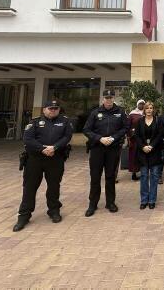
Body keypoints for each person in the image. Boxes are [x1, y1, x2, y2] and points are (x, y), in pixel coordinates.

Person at [13, 100, 72, 232]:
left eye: (56, 108)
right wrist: (42, 149)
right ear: (44, 109)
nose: (53, 110)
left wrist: (55, 147)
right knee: (30, 187)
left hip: (55, 158)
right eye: (50, 108)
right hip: (35, 159)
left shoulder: (64, 121)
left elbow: (67, 137)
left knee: (54, 186)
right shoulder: (34, 122)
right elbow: (28, 139)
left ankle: (54, 210)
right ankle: (24, 215)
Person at [83, 90, 129, 217]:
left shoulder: (120, 112)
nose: (108, 100)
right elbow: (86, 129)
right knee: (95, 176)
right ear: (103, 98)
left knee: (110, 176)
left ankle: (110, 203)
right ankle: (92, 204)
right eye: (106, 97)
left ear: (114, 98)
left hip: (113, 149)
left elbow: (125, 128)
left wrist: (114, 138)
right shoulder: (95, 112)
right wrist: (99, 138)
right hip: (97, 148)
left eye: (111, 97)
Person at [135, 101, 164, 209]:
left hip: (155, 152)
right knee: (143, 176)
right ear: (144, 109)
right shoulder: (139, 121)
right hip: (142, 153)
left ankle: (152, 200)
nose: (149, 110)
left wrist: (151, 146)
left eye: (151, 108)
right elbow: (137, 136)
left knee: (154, 176)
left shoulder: (158, 121)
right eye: (147, 108)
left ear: (153, 109)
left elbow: (160, 134)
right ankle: (144, 200)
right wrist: (143, 146)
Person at [127, 99, 145, 181]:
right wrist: (130, 135)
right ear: (137, 104)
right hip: (134, 139)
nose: (142, 105)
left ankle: (143, 173)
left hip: (143, 139)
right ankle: (133, 173)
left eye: (143, 104)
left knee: (142, 156)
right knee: (134, 156)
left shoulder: (146, 113)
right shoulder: (132, 114)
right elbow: (128, 126)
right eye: (140, 104)